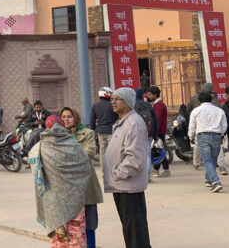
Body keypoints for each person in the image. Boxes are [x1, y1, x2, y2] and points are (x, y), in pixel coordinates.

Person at [28, 115, 91, 247]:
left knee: (59, 239)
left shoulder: (40, 148)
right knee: (76, 236)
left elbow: (37, 175)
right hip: (76, 199)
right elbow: (85, 168)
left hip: (53, 202)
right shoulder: (74, 144)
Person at [103, 87, 151, 248]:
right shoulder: (122, 122)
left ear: (129, 102)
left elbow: (135, 159)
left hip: (128, 187)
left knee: (136, 234)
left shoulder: (133, 123)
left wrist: (117, 174)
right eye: (113, 99)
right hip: (121, 186)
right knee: (131, 231)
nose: (113, 102)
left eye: (118, 99)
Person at [61, 107, 103, 248]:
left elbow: (90, 152)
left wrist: (68, 156)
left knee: (90, 223)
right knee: (68, 224)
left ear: (76, 118)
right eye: (63, 117)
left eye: (69, 116)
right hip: (66, 187)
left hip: (86, 185)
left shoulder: (87, 133)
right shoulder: (58, 135)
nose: (66, 119)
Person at [188, 92, 227, 193]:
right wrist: (222, 135)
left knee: (207, 160)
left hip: (203, 136)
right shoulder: (219, 111)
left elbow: (192, 126)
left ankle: (216, 181)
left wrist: (191, 136)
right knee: (212, 159)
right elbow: (224, 126)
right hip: (217, 136)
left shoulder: (196, 111)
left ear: (199, 101)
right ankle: (207, 179)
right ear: (210, 99)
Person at [89, 87, 118, 167]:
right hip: (112, 131)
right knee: (113, 152)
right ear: (107, 93)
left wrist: (93, 132)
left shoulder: (95, 105)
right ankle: (113, 169)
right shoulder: (112, 105)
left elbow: (92, 120)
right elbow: (118, 117)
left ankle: (103, 171)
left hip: (101, 132)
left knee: (103, 152)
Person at [134, 88, 158, 183]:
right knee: (147, 155)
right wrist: (155, 135)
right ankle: (147, 178)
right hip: (147, 134)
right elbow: (155, 121)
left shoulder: (131, 106)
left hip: (135, 134)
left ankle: (137, 177)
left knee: (135, 154)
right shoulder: (148, 106)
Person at [146, 86, 170, 177]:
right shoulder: (156, 104)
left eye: (150, 94)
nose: (148, 96)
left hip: (159, 131)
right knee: (160, 149)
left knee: (158, 150)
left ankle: (156, 169)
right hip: (159, 130)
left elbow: (157, 119)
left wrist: (154, 132)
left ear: (155, 95)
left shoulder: (158, 105)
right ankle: (166, 169)